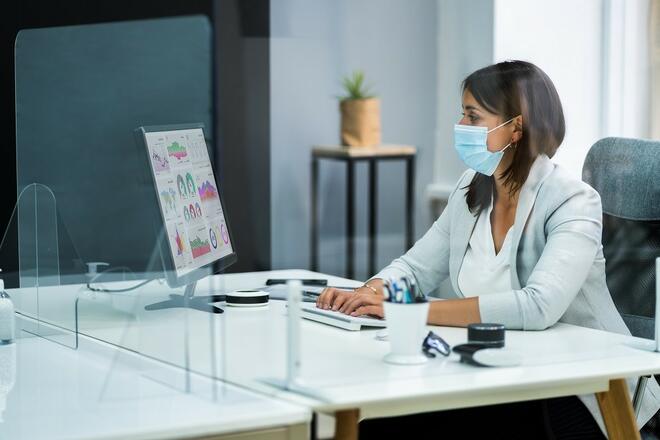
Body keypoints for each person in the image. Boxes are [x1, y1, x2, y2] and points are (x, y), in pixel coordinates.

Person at [316, 60, 660, 439]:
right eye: (462, 114)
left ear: (516, 126)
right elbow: (415, 269)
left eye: (473, 116)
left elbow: (537, 306)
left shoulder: (574, 200)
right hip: (505, 372)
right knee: (381, 426)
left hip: (581, 391)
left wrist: (411, 310)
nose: (461, 127)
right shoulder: (472, 189)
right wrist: (368, 293)